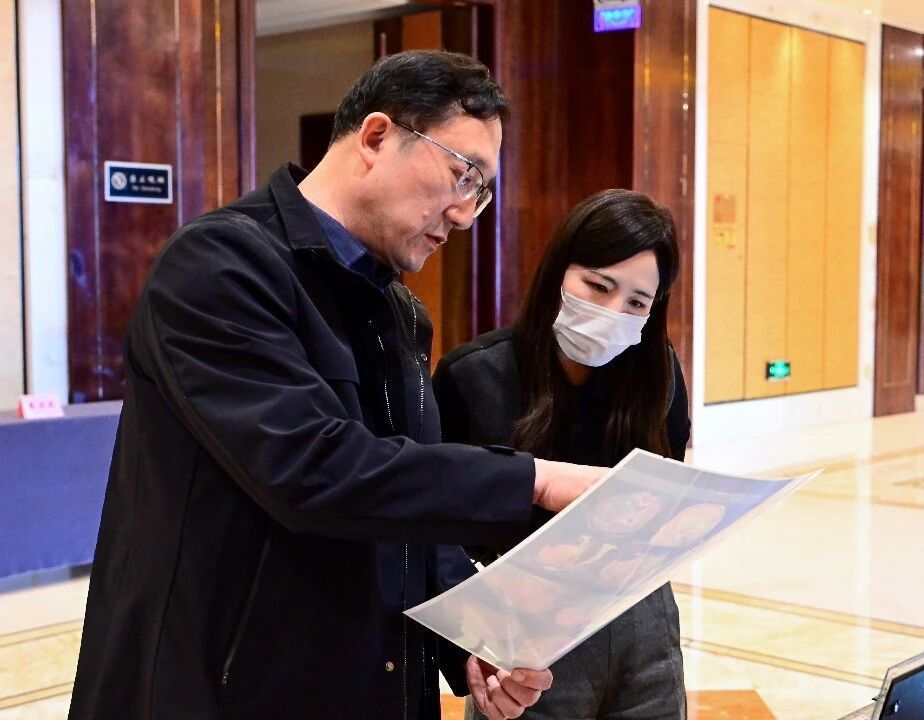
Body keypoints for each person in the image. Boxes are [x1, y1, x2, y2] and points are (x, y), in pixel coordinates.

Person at [68, 50, 605, 720]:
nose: (466, 213)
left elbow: (408, 505)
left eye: (482, 191)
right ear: (376, 137)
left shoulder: (400, 313)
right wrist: (534, 479)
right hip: (223, 691)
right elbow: (313, 468)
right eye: (463, 174)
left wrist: (470, 641)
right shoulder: (221, 267)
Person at [433, 189, 690, 720]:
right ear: (559, 272)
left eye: (637, 303)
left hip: (639, 610)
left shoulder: (656, 375)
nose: (612, 312)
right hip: (525, 626)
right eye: (598, 286)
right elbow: (436, 521)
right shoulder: (475, 375)